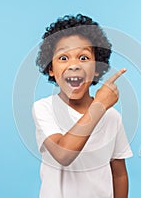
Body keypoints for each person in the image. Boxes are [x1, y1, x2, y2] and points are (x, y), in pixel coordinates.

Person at [32, 14, 133, 198]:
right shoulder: (44, 109)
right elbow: (64, 154)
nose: (74, 65)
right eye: (63, 58)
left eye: (84, 58)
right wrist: (100, 105)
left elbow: (119, 174)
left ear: (96, 69)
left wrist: (102, 108)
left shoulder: (112, 118)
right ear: (51, 69)